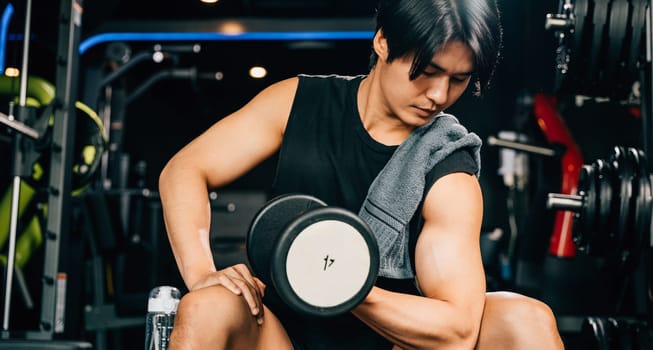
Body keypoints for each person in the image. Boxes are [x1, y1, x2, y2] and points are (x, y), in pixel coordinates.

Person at [158, 0, 565, 348]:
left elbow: (456, 331)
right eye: (426, 71)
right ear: (383, 41)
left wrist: (343, 284)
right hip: (280, 339)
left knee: (524, 320)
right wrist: (203, 275)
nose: (439, 96)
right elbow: (184, 169)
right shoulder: (299, 102)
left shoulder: (447, 163)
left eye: (458, 79)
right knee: (207, 304)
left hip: (393, 342)